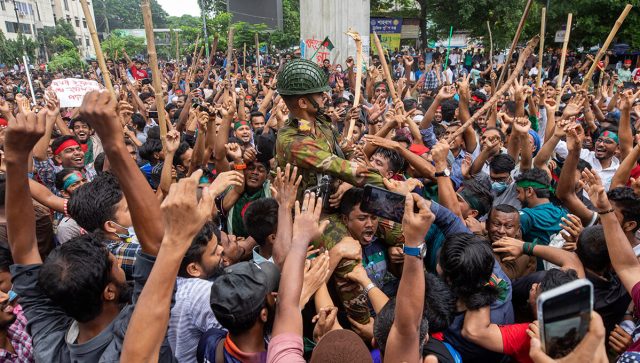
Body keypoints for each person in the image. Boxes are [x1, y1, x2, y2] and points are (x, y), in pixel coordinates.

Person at [4, 91, 171, 361]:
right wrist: (114, 142)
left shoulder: (51, 345)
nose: (119, 262)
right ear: (109, 291)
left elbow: (23, 251)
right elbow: (156, 246)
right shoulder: (135, 336)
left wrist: (14, 159)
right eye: (113, 263)